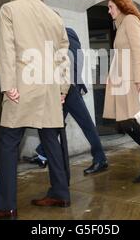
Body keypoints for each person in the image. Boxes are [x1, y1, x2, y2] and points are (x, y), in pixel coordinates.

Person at [0, 0, 71, 220]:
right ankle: (61, 192)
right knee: (52, 142)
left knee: (9, 144)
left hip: (22, 86)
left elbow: (6, 48)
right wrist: (63, 89)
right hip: (49, 88)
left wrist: (8, 84)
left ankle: (5, 206)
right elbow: (63, 55)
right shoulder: (54, 15)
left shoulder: (9, 9)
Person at [25, 27, 109, 174]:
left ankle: (100, 159)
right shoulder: (53, 35)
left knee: (86, 124)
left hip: (69, 88)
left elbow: (75, 59)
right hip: (60, 88)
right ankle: (43, 154)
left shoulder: (66, 33)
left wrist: (72, 84)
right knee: (55, 123)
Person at [103, 0, 140, 184]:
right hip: (123, 80)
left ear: (120, 5)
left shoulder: (130, 20)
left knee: (139, 123)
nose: (109, 10)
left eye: (111, 7)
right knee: (126, 122)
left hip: (135, 79)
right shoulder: (120, 25)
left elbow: (139, 50)